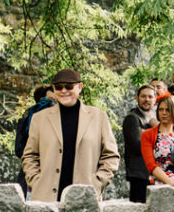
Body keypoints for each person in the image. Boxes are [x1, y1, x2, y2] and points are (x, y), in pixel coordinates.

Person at [21, 68, 120, 203]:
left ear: (79, 87)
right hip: (46, 198)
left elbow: (111, 156)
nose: (63, 91)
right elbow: (29, 155)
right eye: (58, 87)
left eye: (68, 86)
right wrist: (36, 181)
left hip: (85, 197)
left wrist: (97, 183)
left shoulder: (99, 117)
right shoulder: (39, 118)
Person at [13, 84, 54, 196]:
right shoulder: (26, 121)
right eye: (49, 100)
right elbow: (19, 150)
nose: (52, 104)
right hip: (31, 175)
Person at [122, 85, 157, 203]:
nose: (147, 99)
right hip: (139, 175)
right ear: (137, 98)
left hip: (154, 173)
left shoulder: (156, 119)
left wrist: (147, 132)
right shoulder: (132, 118)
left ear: (155, 99)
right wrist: (156, 131)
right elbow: (137, 146)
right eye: (143, 96)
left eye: (150, 97)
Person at [141, 94, 174, 187]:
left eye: (167, 110)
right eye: (161, 109)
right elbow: (151, 165)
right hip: (158, 185)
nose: (164, 113)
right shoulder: (147, 135)